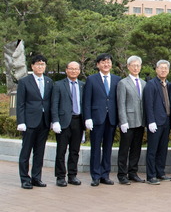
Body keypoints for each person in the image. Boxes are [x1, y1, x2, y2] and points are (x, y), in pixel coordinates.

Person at [83, 53, 121, 187]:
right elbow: (86, 100)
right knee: (95, 148)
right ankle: (95, 175)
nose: (106, 64)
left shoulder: (117, 79)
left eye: (108, 62)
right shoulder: (91, 79)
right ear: (98, 65)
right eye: (103, 62)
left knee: (108, 148)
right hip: (96, 118)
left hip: (111, 119)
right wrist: (87, 117)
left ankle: (105, 174)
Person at [16, 54, 53, 189]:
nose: (40, 66)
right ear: (32, 66)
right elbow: (20, 103)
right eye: (37, 64)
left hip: (44, 122)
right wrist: (21, 121)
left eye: (42, 64)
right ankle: (25, 179)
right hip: (29, 122)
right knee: (26, 152)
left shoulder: (49, 82)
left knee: (39, 151)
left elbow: (50, 102)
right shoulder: (24, 81)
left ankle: (36, 178)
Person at [51, 61, 84, 187]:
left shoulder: (82, 85)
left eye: (76, 69)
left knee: (75, 151)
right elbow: (54, 105)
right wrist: (55, 121)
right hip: (64, 122)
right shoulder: (58, 85)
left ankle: (72, 175)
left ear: (79, 71)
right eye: (71, 69)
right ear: (66, 70)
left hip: (78, 121)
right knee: (61, 151)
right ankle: (60, 176)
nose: (74, 71)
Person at [116, 55, 146, 185]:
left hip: (140, 121)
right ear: (128, 67)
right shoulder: (123, 83)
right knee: (124, 149)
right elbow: (121, 103)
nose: (135, 68)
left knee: (136, 148)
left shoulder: (144, 83)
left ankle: (133, 172)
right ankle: (122, 174)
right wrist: (123, 121)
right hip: (128, 121)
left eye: (138, 65)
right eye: (133, 65)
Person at [143, 60, 171, 185]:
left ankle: (160, 172)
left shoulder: (169, 85)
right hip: (155, 122)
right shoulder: (151, 84)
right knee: (152, 150)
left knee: (162, 149)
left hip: (166, 121)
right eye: (161, 68)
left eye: (166, 68)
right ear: (156, 69)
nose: (163, 70)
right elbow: (148, 104)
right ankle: (151, 175)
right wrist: (151, 121)